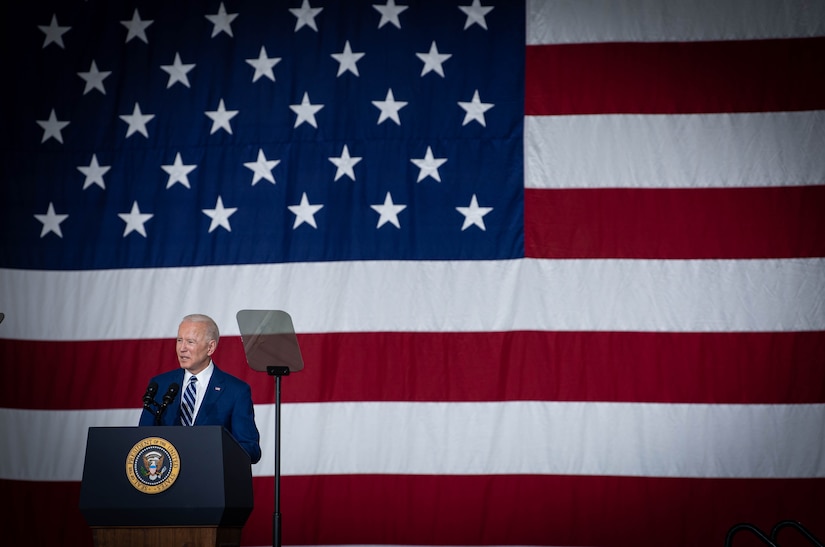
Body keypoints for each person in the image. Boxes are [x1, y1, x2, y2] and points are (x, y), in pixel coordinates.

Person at [138, 313, 262, 464]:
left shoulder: (235, 391)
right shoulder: (160, 385)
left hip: (211, 480)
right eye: (179, 340)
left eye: (190, 342)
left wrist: (213, 452)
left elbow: (250, 449)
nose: (182, 348)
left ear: (210, 347)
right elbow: (142, 440)